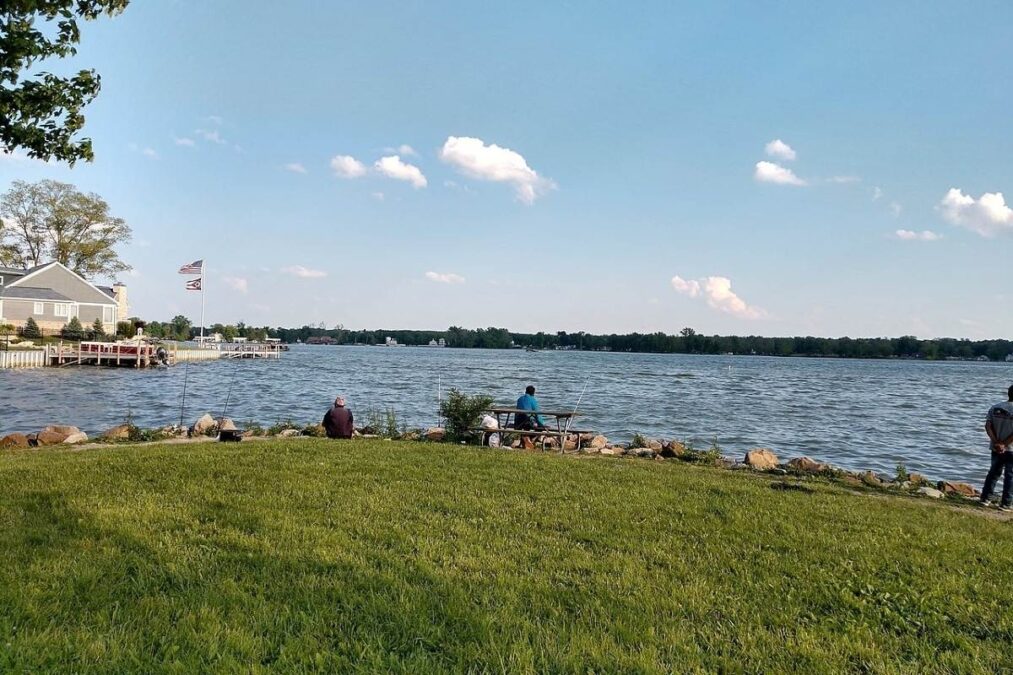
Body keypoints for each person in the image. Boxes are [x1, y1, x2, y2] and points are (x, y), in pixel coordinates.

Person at [980, 385, 1013, 511]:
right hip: (1010, 448)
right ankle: (1006, 503)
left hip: (995, 447)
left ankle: (985, 498)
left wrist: (996, 442)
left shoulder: (995, 407)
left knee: (993, 473)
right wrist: (1004, 444)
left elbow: (988, 425)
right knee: (1010, 475)